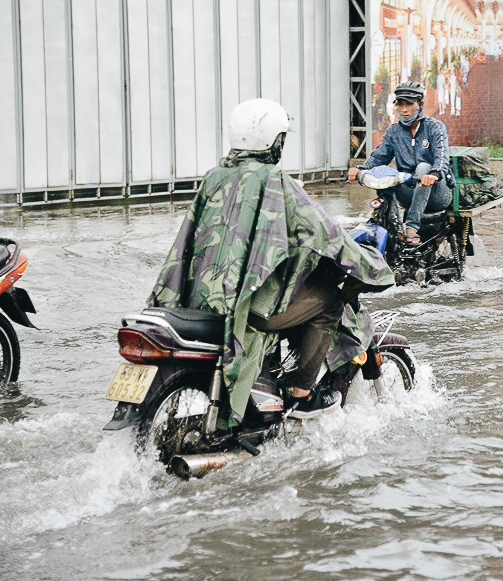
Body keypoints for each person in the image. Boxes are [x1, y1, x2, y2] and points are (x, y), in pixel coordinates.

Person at [149, 98, 395, 428]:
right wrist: (370, 264)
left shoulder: (214, 177)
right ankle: (303, 393)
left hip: (203, 301)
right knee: (329, 302)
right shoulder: (276, 182)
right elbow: (326, 233)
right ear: (274, 140)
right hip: (246, 305)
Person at [347, 81, 455, 246]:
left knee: (423, 167)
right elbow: (379, 157)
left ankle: (411, 226)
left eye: (409, 104)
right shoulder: (393, 131)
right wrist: (360, 169)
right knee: (386, 172)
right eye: (400, 105)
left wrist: (434, 174)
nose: (404, 110)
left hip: (437, 193)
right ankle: (395, 229)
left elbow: (442, 156)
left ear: (420, 104)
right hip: (409, 193)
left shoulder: (435, 127)